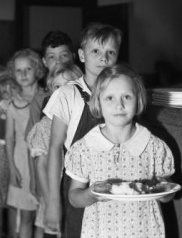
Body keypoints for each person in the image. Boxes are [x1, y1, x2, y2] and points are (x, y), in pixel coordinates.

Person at [64, 64, 175, 238]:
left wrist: (164, 190)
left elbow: (166, 196)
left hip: (145, 231)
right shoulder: (85, 148)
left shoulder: (154, 147)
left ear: (138, 100)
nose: (119, 105)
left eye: (127, 97)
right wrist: (91, 194)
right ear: (98, 102)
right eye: (109, 98)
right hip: (100, 232)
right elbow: (74, 197)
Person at [43, 23, 123, 237]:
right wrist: (52, 202)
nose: (103, 58)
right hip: (77, 186)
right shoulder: (68, 94)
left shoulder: (121, 94)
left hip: (114, 181)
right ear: (81, 54)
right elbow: (54, 149)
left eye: (110, 52)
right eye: (95, 51)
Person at [27, 64, 82, 238]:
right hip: (54, 196)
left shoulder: (81, 120)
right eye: (57, 87)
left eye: (68, 86)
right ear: (50, 92)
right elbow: (41, 165)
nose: (61, 93)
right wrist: (51, 201)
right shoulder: (45, 126)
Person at [5, 49, 46, 238]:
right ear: (13, 73)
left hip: (44, 160)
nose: (23, 74)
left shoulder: (47, 97)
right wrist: (12, 169)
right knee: (27, 215)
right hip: (22, 161)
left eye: (27, 69)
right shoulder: (13, 103)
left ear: (37, 69)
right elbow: (10, 139)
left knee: (44, 217)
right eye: (18, 70)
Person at [24, 30, 76, 138]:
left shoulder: (83, 92)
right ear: (44, 61)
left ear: (73, 57)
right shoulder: (40, 99)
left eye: (64, 55)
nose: (58, 61)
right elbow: (32, 141)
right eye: (52, 57)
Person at [0, 74, 19, 238]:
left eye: (12, 88)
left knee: (12, 204)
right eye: (4, 91)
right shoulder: (3, 109)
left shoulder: (20, 107)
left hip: (13, 161)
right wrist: (7, 74)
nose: (8, 92)